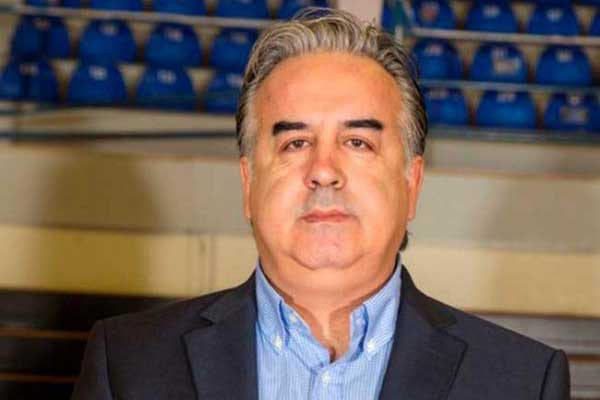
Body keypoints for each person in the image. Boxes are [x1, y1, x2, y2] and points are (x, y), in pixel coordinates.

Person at [72, 8, 570, 400]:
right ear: (248, 183)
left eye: (358, 142)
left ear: (411, 183)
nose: (324, 170)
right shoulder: (129, 363)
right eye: (295, 143)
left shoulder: (521, 382)